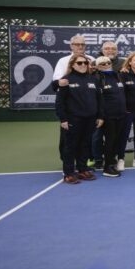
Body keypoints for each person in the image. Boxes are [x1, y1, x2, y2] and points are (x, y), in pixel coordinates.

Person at [55, 55, 103, 184]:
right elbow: (60, 102)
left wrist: (99, 116)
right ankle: (68, 173)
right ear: (72, 65)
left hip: (90, 119)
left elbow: (99, 99)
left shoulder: (93, 79)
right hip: (73, 119)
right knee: (70, 147)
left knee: (85, 145)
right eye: (79, 63)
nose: (83, 65)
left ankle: (82, 169)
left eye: (85, 63)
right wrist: (63, 119)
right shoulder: (66, 80)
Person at [94, 56, 126, 177]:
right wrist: (101, 116)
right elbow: (98, 99)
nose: (106, 64)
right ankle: (107, 167)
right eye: (102, 64)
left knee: (116, 141)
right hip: (108, 116)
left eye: (108, 62)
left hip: (121, 115)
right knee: (110, 141)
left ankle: (112, 163)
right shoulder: (97, 78)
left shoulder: (117, 76)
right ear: (97, 67)